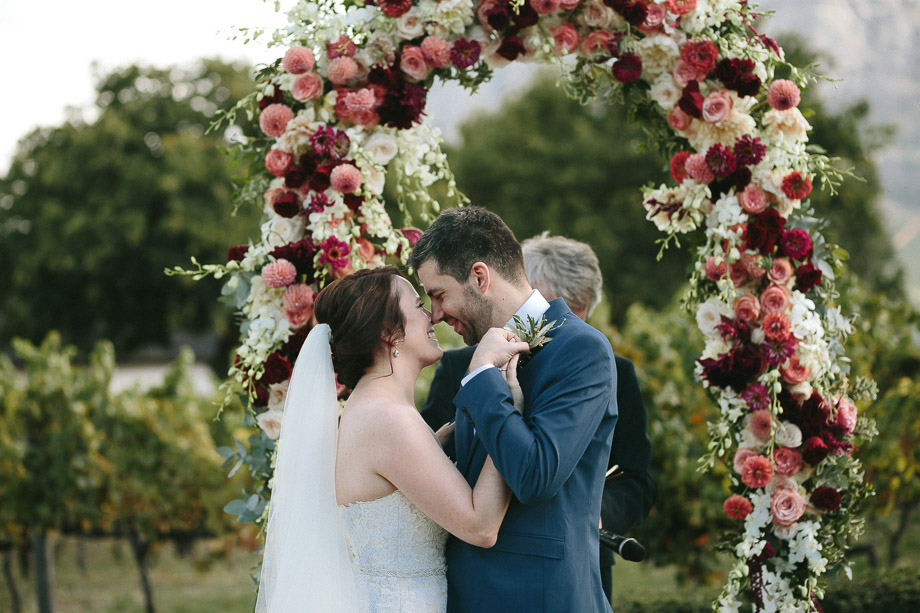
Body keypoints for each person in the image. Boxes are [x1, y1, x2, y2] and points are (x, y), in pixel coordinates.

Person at [255, 266, 523, 612]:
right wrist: (508, 411)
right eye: (417, 305)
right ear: (387, 332)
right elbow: (481, 526)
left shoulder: (372, 409)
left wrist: (439, 444)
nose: (432, 314)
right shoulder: (387, 420)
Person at [422, 233, 657, 602]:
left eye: (439, 295)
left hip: (536, 595)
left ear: (480, 278)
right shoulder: (480, 354)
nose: (435, 314)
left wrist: (484, 375)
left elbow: (534, 477)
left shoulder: (583, 349)